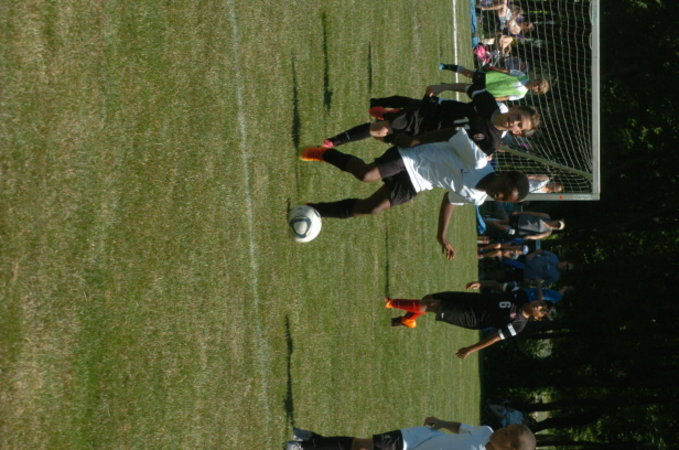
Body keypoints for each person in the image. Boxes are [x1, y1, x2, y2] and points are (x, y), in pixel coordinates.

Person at [298, 128, 530, 259]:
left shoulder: (477, 197)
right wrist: (416, 141)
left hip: (419, 182)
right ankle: (323, 154)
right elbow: (453, 134)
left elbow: (450, 200)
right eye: (503, 190)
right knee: (366, 174)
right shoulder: (477, 162)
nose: (498, 196)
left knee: (372, 208)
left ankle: (313, 210)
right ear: (503, 174)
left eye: (503, 198)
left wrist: (442, 236)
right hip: (412, 157)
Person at [321, 90, 540, 157]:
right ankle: (333, 142)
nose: (514, 122)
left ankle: (390, 115)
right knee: (381, 129)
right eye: (518, 116)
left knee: (384, 136)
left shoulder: (490, 144)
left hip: (428, 137)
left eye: (519, 125)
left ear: (518, 132)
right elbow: (469, 88)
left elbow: (461, 155)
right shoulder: (488, 103)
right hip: (429, 113)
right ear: (514, 108)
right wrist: (443, 86)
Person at [384, 283, 553, 359]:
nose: (539, 306)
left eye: (542, 310)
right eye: (542, 304)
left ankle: (391, 303)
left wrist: (471, 349)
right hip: (472, 300)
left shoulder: (518, 325)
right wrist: (481, 283)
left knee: (432, 305)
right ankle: (407, 320)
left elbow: (494, 338)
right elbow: (498, 286)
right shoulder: (521, 294)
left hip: (471, 317)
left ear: (538, 317)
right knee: (429, 298)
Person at [285, 417, 537, 450]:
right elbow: (461, 428)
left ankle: (312, 441)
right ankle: (307, 444)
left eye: (506, 433)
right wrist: (441, 422)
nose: (501, 430)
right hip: (414, 438)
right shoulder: (486, 431)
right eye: (506, 427)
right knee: (364, 444)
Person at [437, 64, 549, 101]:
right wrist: (494, 68)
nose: (536, 86)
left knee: (467, 89)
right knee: (468, 74)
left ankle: (446, 86)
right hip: (490, 78)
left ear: (536, 91)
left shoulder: (521, 94)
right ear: (536, 79)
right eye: (538, 83)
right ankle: (446, 66)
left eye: (538, 88)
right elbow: (507, 71)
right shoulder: (522, 75)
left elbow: (506, 97)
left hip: (490, 91)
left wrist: (493, 99)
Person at [486, 211, 565, 240]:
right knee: (500, 222)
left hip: (520, 230)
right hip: (520, 219)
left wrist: (529, 237)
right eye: (558, 223)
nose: (557, 225)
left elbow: (538, 237)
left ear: (557, 229)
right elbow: (533, 213)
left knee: (502, 228)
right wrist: (520, 212)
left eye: (558, 226)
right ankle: (486, 221)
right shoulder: (546, 216)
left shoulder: (548, 232)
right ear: (557, 220)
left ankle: (487, 222)